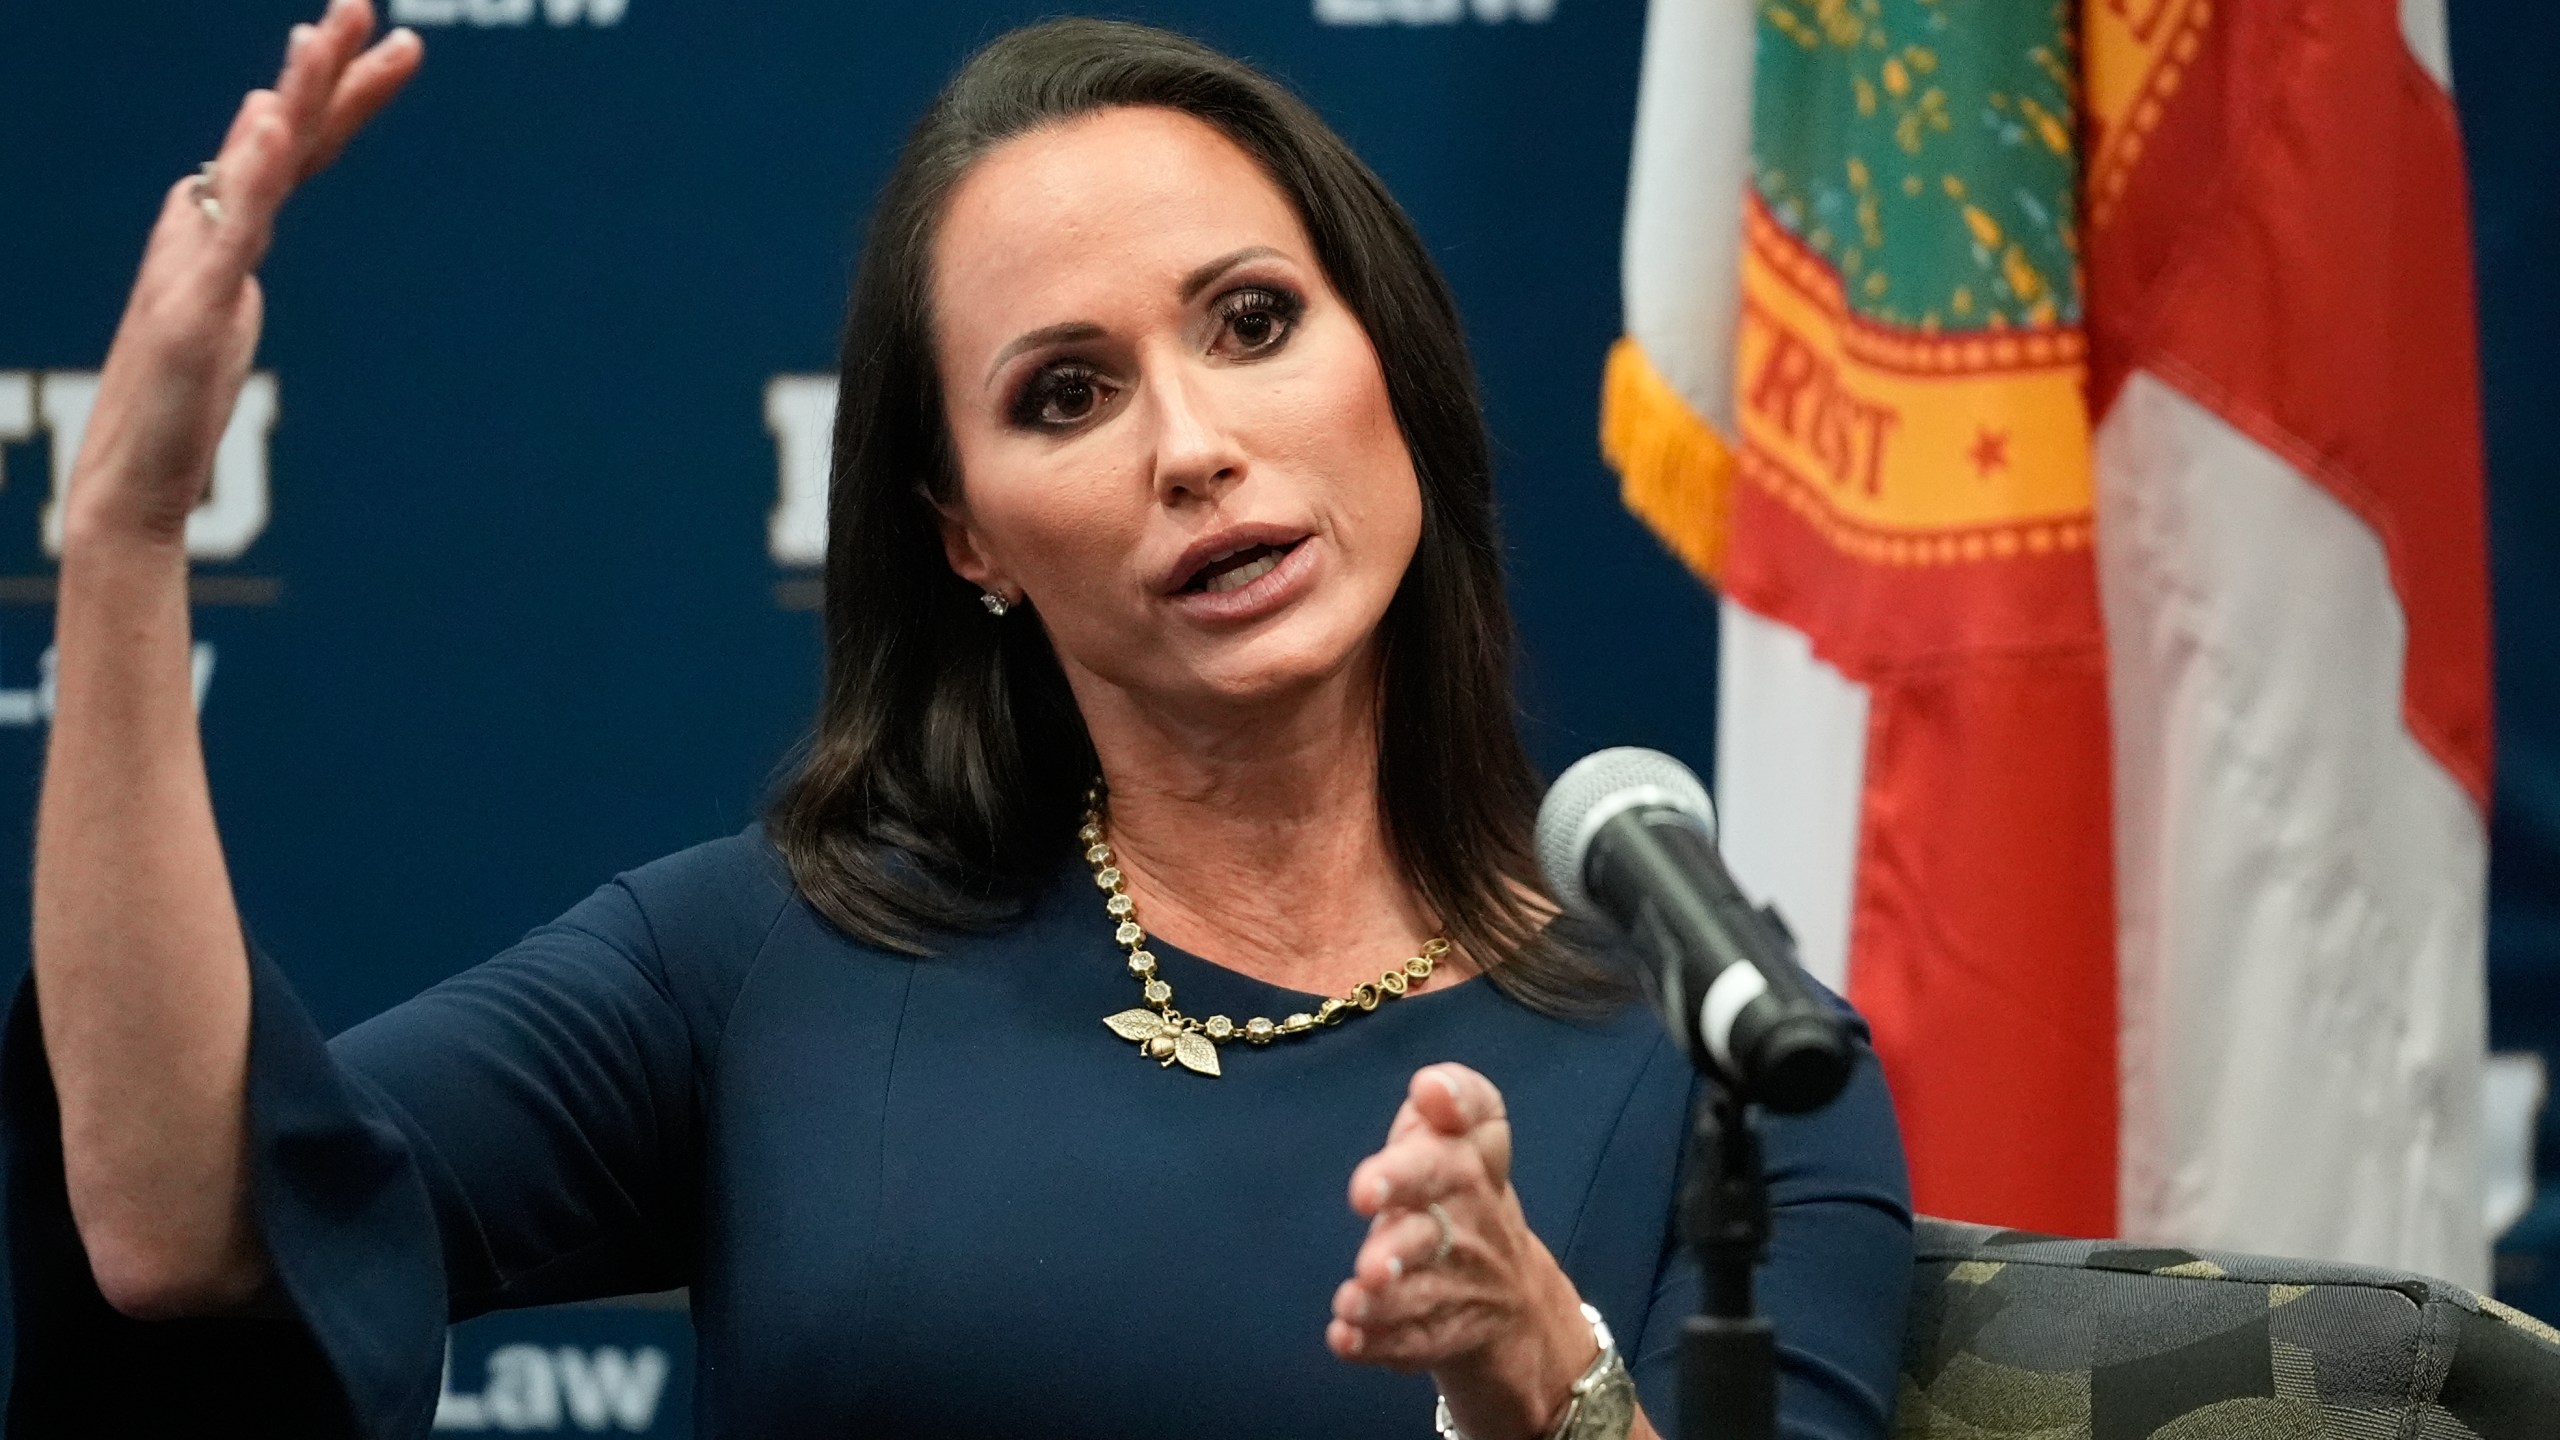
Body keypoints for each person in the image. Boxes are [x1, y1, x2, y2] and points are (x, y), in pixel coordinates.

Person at [9, 3, 1913, 1436]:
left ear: (1389, 367)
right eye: (1067, 395)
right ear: (968, 537)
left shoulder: (1729, 1073)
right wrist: (124, 528)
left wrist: (1539, 1373)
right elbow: (188, 1223)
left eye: (1252, 323)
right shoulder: (760, 963)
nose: (1193, 446)